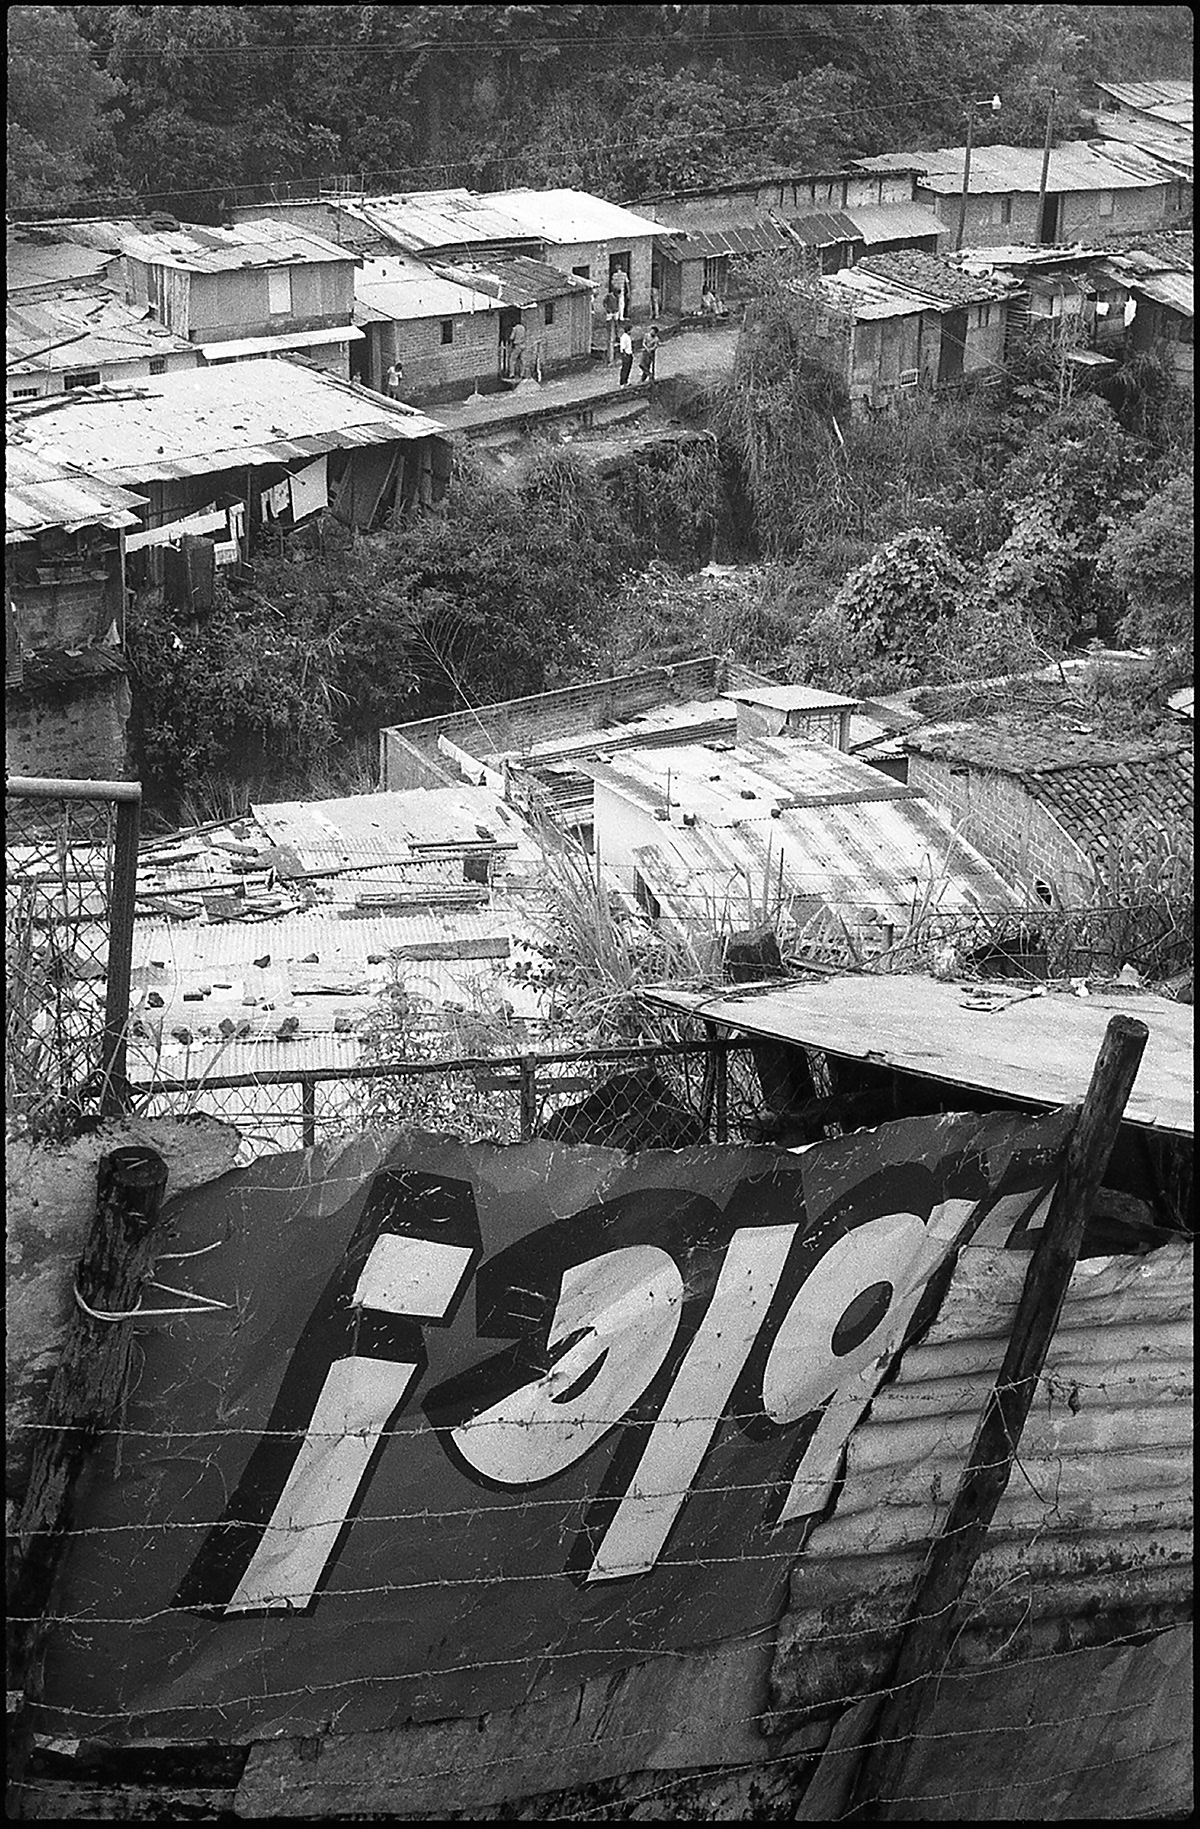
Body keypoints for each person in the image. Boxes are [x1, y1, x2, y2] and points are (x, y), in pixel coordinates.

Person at [602, 283, 620, 360]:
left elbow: (617, 303)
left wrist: (617, 309)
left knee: (616, 323)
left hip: (615, 311)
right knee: (609, 322)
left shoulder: (617, 297)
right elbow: (604, 302)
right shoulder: (609, 296)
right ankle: (609, 333)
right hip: (610, 312)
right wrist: (607, 309)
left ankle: (616, 335)